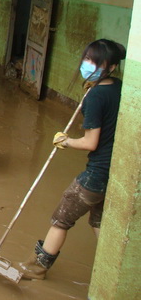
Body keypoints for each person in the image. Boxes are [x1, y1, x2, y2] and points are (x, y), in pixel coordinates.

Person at [19, 39, 126, 280]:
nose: (88, 64)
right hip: (115, 172)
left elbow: (90, 143)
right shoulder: (118, 87)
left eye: (95, 62)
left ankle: (37, 268)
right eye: (87, 59)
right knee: (99, 222)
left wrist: (65, 141)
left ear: (110, 67)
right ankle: (112, 275)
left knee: (61, 218)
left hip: (96, 174)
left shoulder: (95, 97)